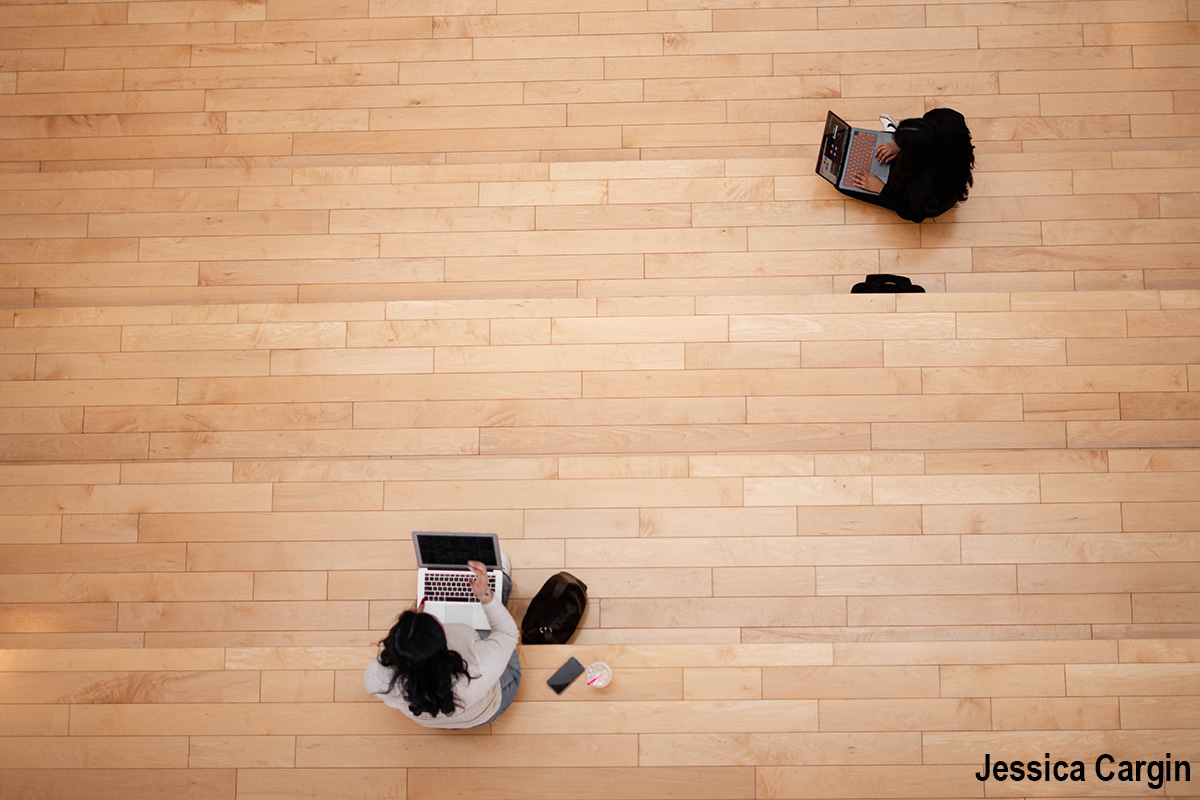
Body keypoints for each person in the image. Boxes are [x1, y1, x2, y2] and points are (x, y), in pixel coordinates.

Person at [364, 558, 520, 728]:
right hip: (484, 710)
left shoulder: (377, 676)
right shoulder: (475, 673)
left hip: (437, 718)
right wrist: (485, 595)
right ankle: (500, 581)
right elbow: (508, 634)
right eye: (436, 623)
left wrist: (412, 628)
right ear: (443, 643)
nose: (434, 617)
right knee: (491, 610)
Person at [843, 107, 975, 223]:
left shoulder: (923, 186)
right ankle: (893, 134)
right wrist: (898, 145)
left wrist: (880, 188)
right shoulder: (947, 121)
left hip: (923, 197)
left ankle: (891, 133)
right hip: (924, 164)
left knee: (844, 183)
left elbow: (913, 214)